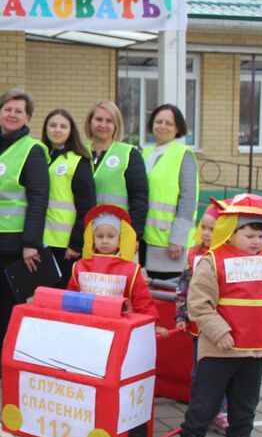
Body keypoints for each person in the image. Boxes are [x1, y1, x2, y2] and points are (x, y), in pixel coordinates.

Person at [177, 193, 262, 437]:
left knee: (246, 400)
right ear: (231, 231)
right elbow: (199, 304)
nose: (256, 242)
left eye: (260, 236)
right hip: (219, 349)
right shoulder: (213, 261)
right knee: (206, 397)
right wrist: (219, 332)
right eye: (249, 235)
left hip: (253, 349)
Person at [0, 89, 50, 380]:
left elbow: (38, 198)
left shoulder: (33, 150)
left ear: (28, 117)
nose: (12, 115)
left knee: (10, 303)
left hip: (15, 241)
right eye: (7, 109)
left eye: (19, 111)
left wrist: (31, 242)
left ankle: (10, 357)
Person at [176, 201, 228, 434]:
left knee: (223, 371)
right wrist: (181, 316)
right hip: (199, 329)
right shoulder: (193, 255)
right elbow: (183, 290)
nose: (206, 233)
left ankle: (221, 410)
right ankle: (202, 410)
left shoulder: (228, 257)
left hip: (224, 328)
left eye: (212, 229)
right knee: (200, 371)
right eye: (203, 228)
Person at [66, 205, 157, 318]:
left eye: (110, 236)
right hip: (86, 325)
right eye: (99, 236)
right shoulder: (80, 266)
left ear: (119, 238)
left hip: (119, 326)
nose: (105, 241)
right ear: (92, 238)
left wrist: (152, 324)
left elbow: (143, 302)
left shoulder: (130, 269)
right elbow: (70, 300)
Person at [142, 104, 199, 280]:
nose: (162, 126)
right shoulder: (145, 153)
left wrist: (178, 239)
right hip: (146, 238)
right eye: (158, 121)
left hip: (170, 243)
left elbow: (188, 199)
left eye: (169, 123)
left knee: (169, 296)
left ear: (178, 128)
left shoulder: (184, 154)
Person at [41, 108, 96, 287]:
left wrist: (76, 243)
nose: (57, 130)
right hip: (41, 242)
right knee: (44, 297)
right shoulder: (40, 155)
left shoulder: (78, 160)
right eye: (53, 125)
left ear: (71, 131)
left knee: (62, 297)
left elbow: (87, 207)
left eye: (63, 126)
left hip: (65, 246)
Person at [85, 100, 148, 240]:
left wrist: (135, 235)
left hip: (117, 234)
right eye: (98, 119)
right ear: (90, 122)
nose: (103, 125)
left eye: (109, 121)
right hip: (85, 233)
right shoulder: (79, 153)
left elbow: (139, 198)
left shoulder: (129, 154)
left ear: (116, 126)